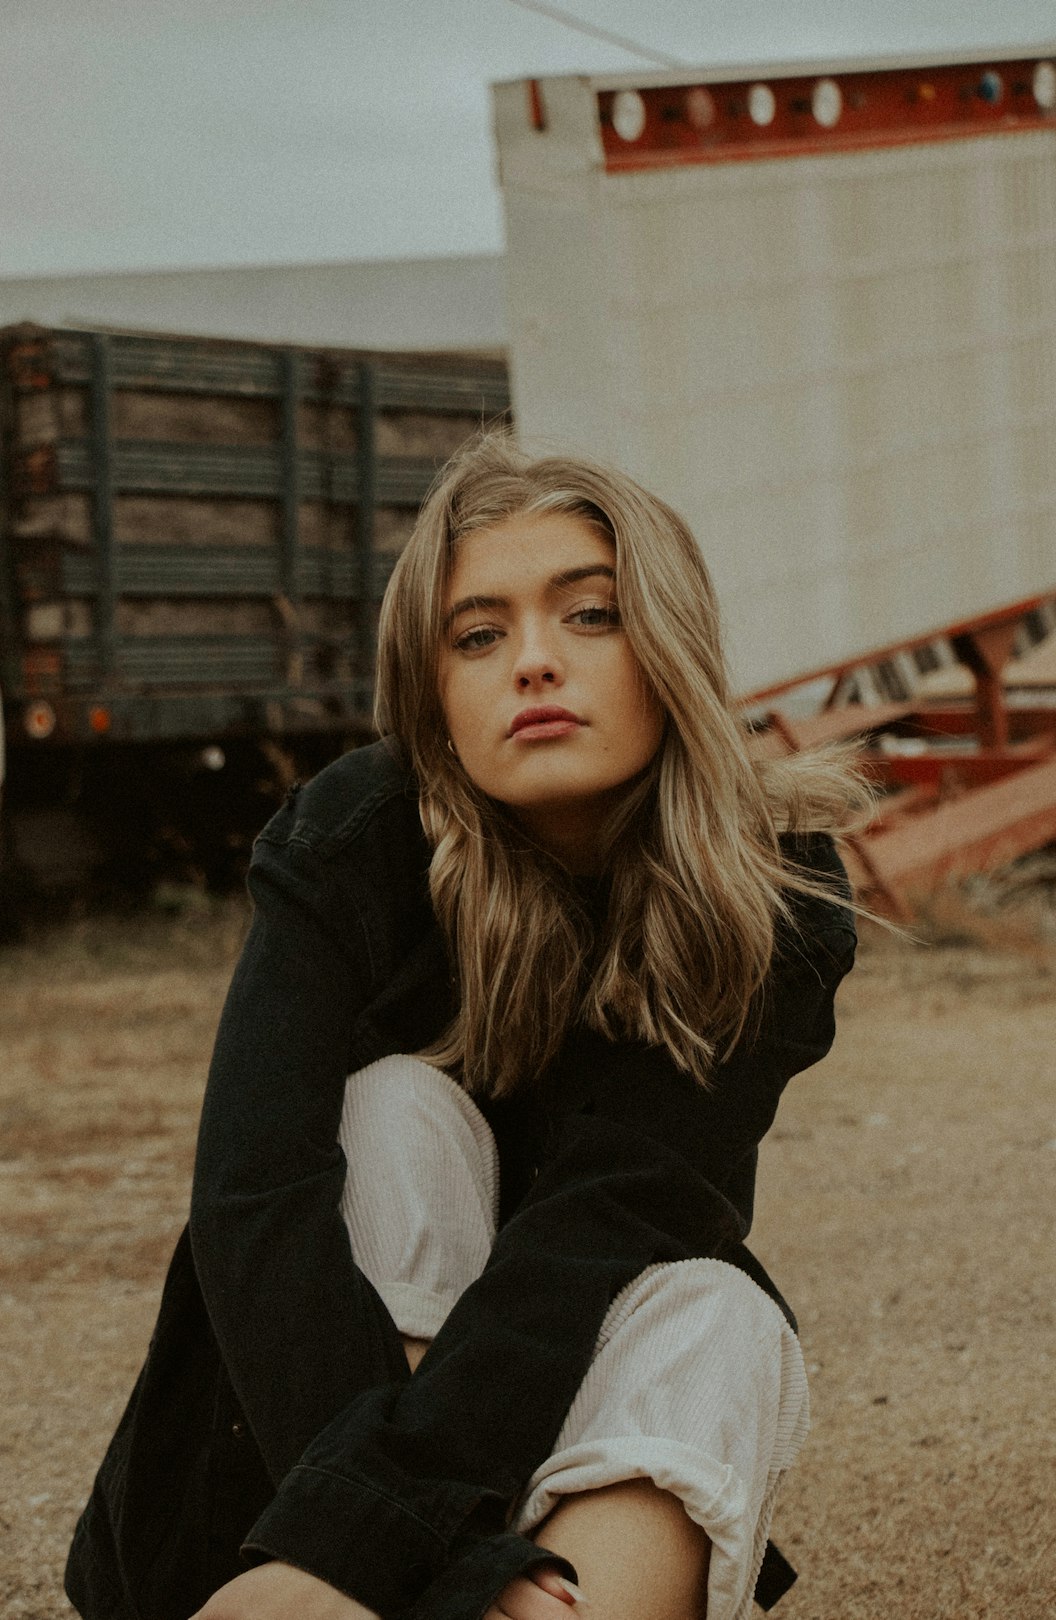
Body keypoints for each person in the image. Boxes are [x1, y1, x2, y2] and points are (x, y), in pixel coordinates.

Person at [65, 435, 862, 1620]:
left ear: (671, 647)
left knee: (715, 1304)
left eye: (590, 615)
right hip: (269, 1484)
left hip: (535, 1448)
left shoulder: (772, 895)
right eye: (477, 636)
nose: (533, 662)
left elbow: (602, 1227)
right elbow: (254, 1202)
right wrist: (401, 1549)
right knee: (396, 1108)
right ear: (432, 691)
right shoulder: (352, 845)